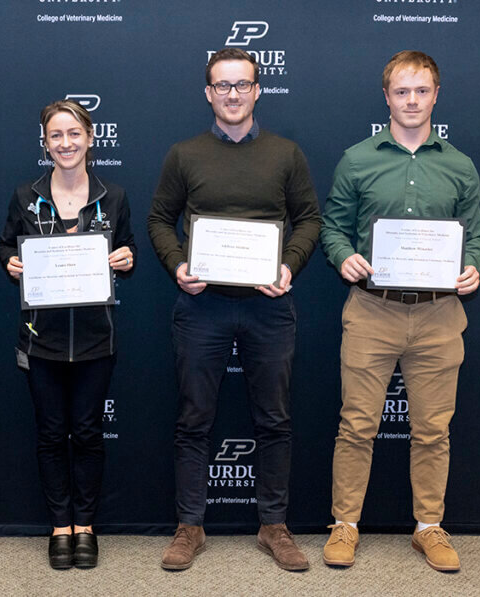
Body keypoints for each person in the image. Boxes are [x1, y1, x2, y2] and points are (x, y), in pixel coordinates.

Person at [147, 48, 321, 572]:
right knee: (194, 419)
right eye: (222, 85)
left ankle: (274, 526)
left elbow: (309, 219)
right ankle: (189, 526)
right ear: (208, 93)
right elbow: (160, 219)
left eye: (242, 84)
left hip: (269, 309)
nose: (232, 94)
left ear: (257, 90)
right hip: (203, 309)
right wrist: (178, 264)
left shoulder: (287, 154)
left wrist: (289, 265)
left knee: (275, 420)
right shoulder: (184, 154)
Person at [320, 51, 480, 572]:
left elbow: (473, 235)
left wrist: (473, 266)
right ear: (386, 97)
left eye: (421, 91)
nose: (411, 101)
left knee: (434, 429)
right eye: (401, 92)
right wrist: (343, 255)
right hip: (372, 311)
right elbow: (332, 227)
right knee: (357, 425)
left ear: (435, 95)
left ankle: (428, 527)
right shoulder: (357, 159)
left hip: (439, 316)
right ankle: (344, 524)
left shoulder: (460, 166)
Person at [0, 100, 135, 570]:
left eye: (74, 133)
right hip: (42, 339)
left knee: (90, 433)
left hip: (97, 339)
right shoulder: (25, 195)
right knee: (53, 434)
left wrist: (126, 257)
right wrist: (10, 263)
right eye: (56, 135)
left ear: (90, 138)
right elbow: (5, 245)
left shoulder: (113, 195)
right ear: (45, 143)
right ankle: (60, 525)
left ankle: (86, 526)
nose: (66, 143)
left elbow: (129, 245)